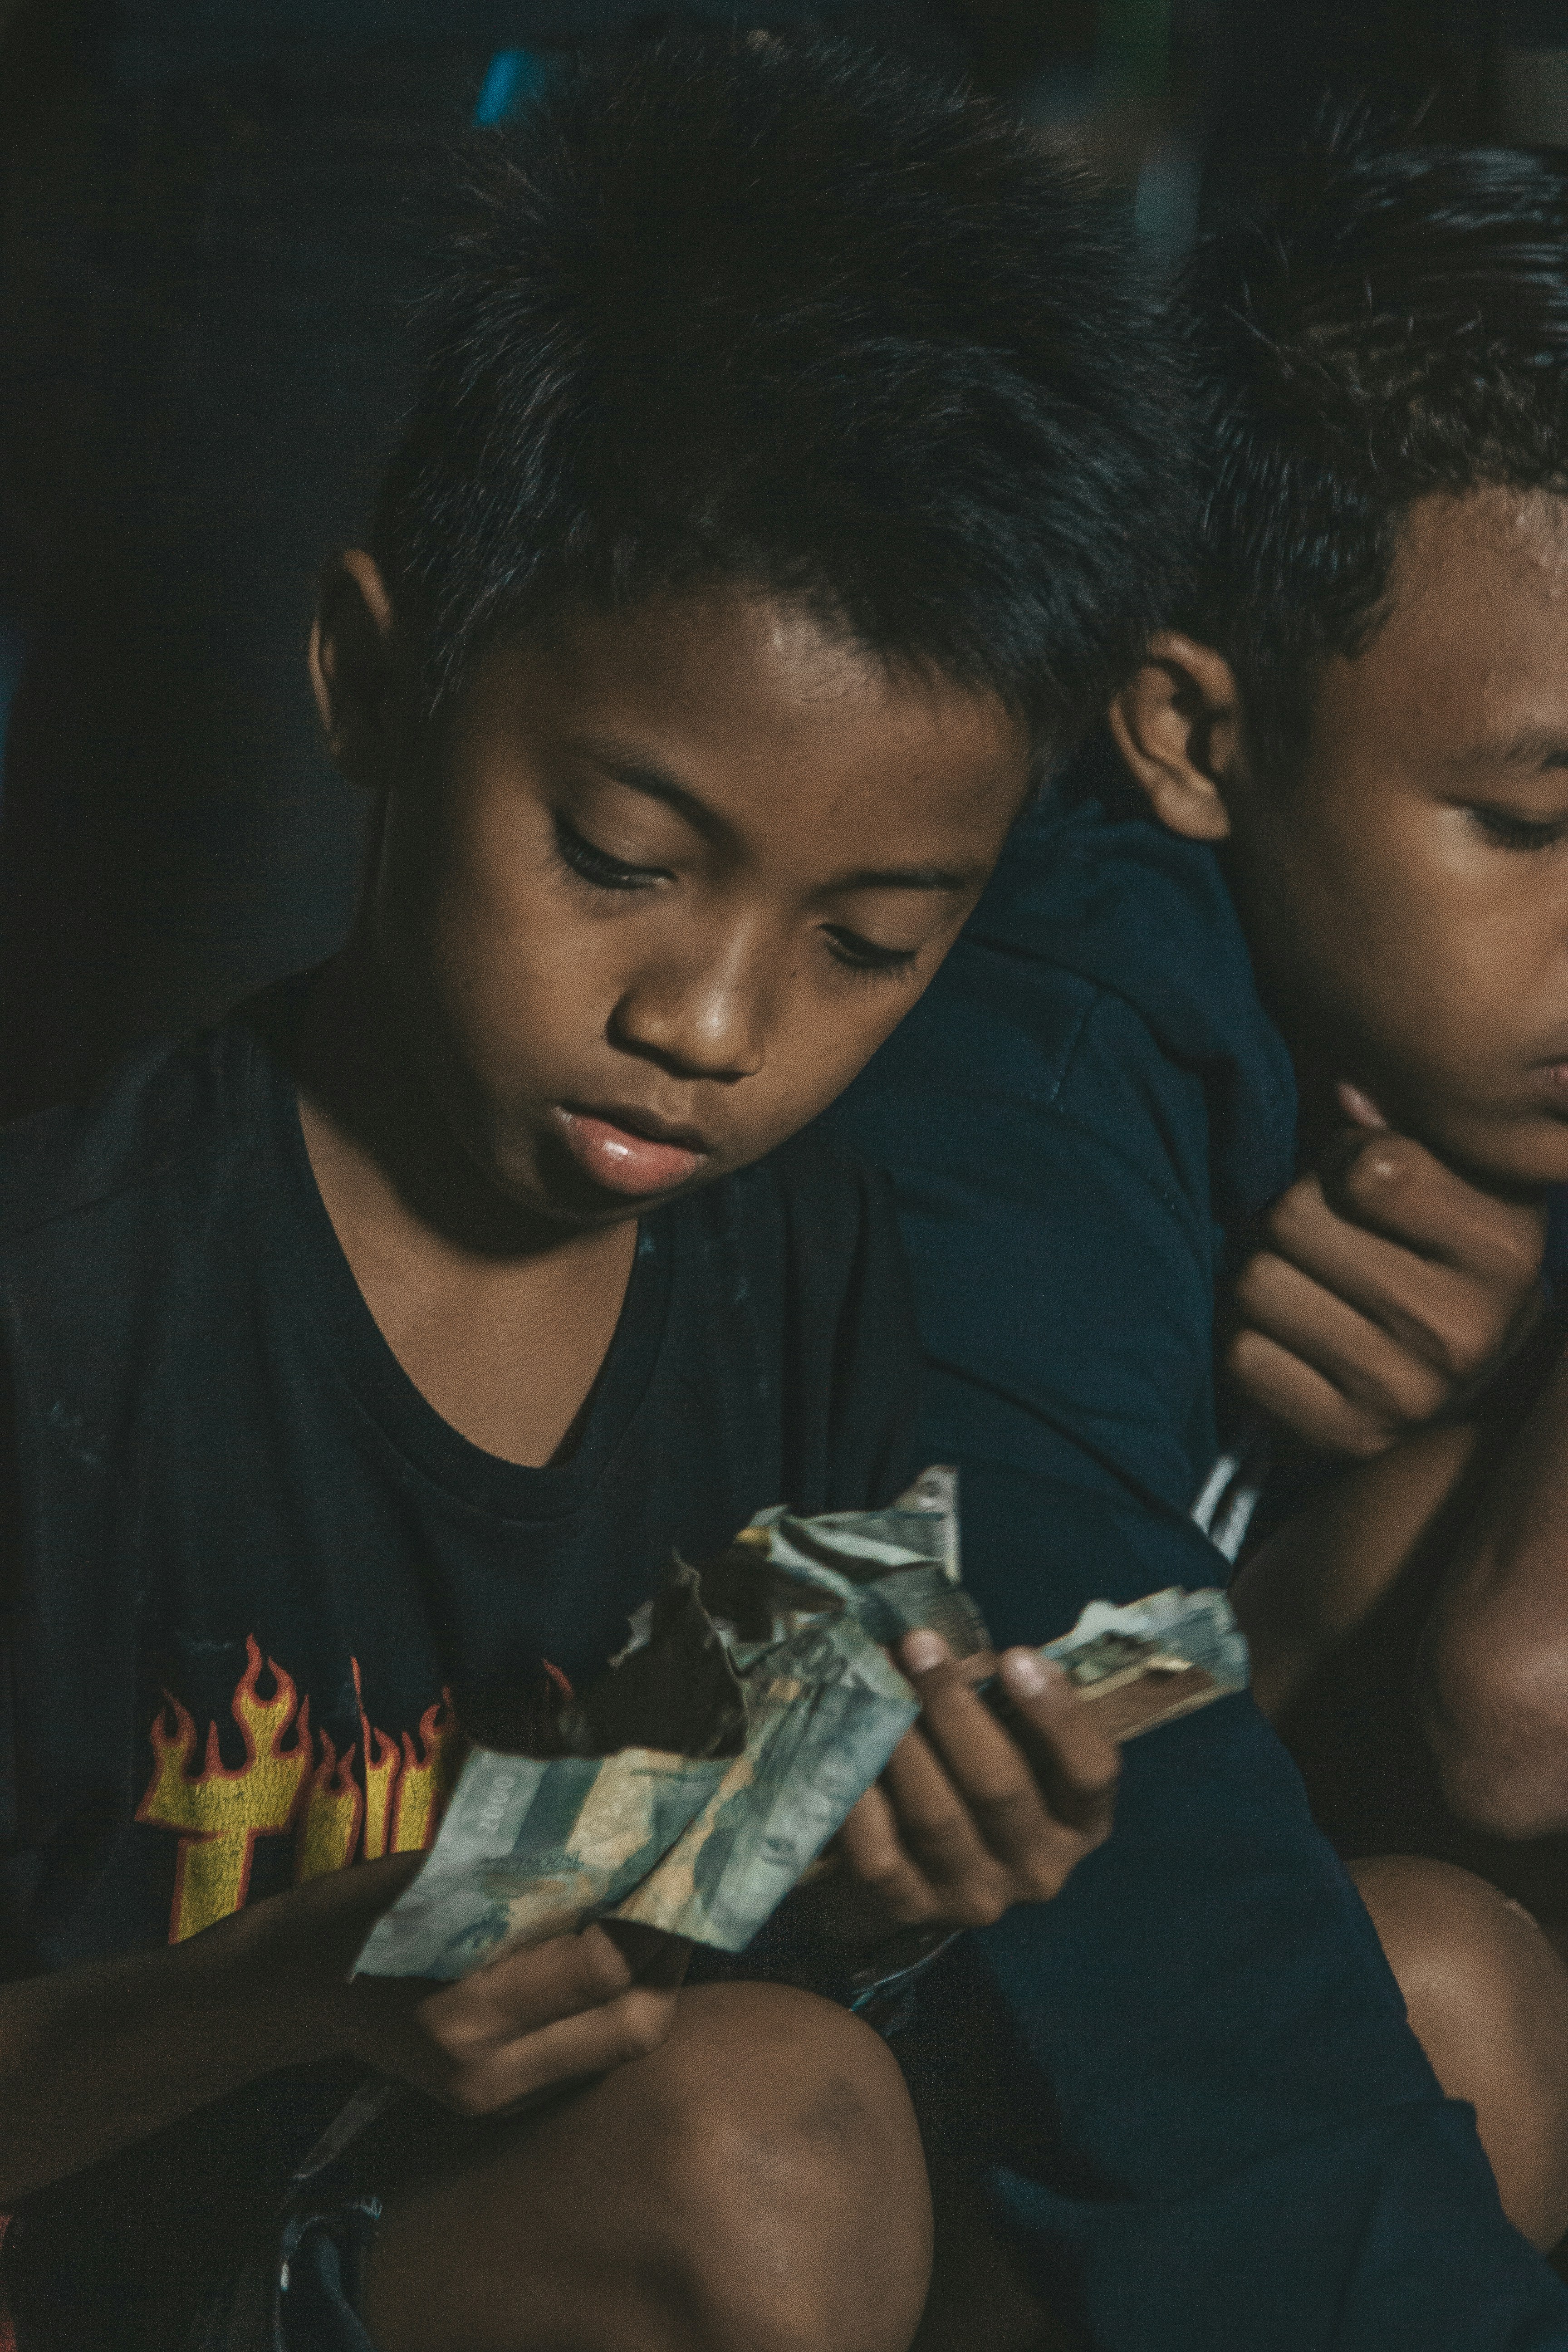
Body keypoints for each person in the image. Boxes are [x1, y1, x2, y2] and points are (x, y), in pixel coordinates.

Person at [0, 34, 1199, 2352]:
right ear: (369, 683)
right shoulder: (70, 1311)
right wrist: (287, 1986)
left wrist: (902, 1873)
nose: (719, 1024)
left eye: (871, 945)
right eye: (625, 860)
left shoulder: (809, 1272)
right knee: (776, 2148)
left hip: (495, 2249)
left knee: (841, 2112)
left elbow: (731, 1956)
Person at [828, 115, 1568, 2334]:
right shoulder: (1025, 1076)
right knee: (1439, 1998)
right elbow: (1108, 1779)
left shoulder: (1450, 1057)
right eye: (1532, 820)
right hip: (866, 2036)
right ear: (1188, 732)